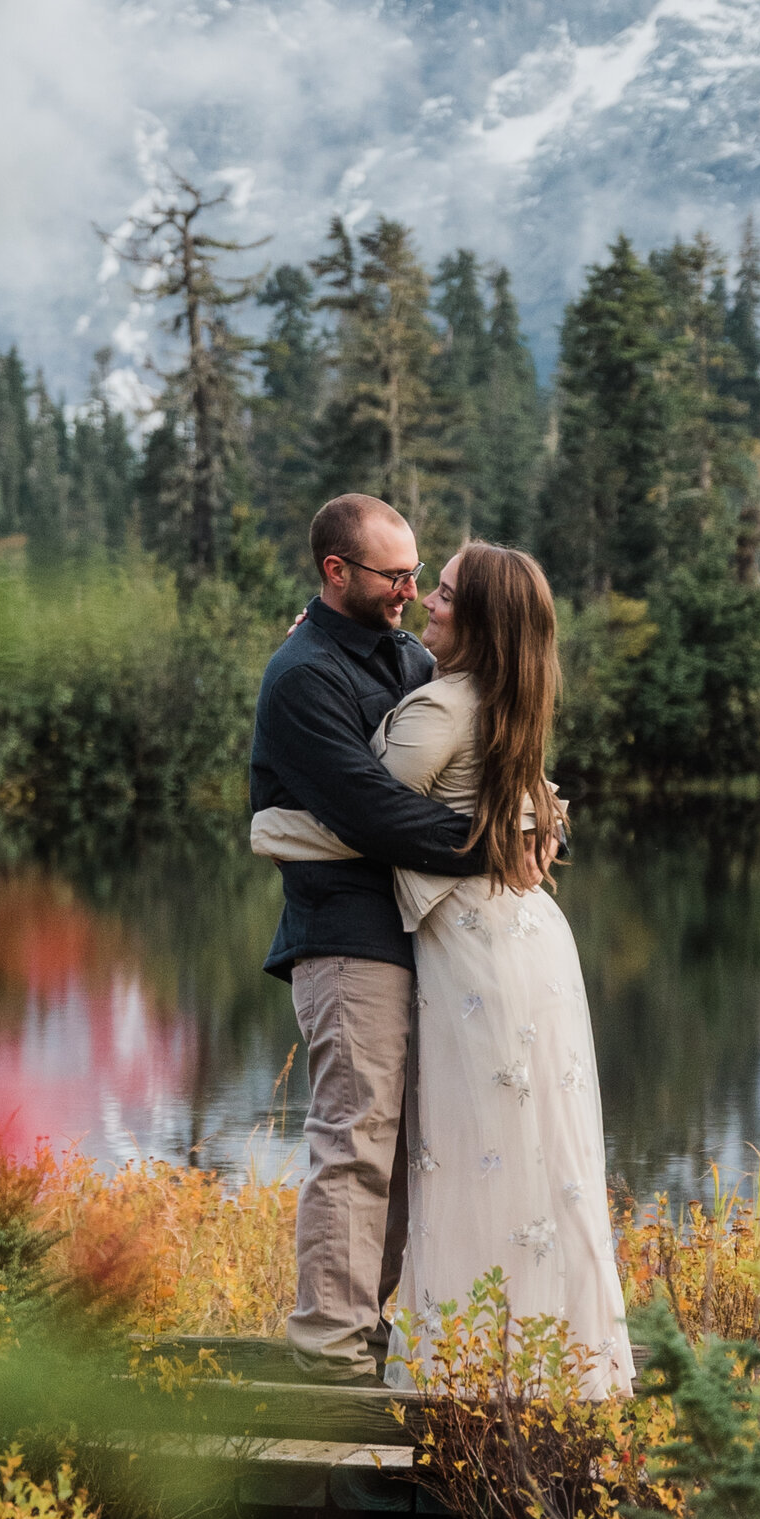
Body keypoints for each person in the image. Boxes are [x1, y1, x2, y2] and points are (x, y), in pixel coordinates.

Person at [252, 539, 633, 1398]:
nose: (425, 600)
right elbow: (517, 803)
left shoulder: (441, 701)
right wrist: (312, 640)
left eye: (446, 592)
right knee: (520, 1152)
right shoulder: (499, 692)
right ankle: (539, 1351)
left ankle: (439, 1351)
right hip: (525, 941)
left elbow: (370, 817)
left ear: (483, 621)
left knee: (461, 1149)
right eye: (415, 581)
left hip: (473, 947)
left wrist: (271, 829)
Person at [249, 493, 492, 1378]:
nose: (412, 589)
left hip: (417, 935)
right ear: (335, 572)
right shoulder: (304, 675)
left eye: (419, 573)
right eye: (396, 576)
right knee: (354, 1140)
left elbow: (460, 768)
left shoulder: (409, 653)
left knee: (400, 1145)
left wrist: (527, 817)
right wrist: (494, 845)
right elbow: (378, 814)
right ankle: (330, 1350)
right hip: (347, 937)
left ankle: (365, 1335)